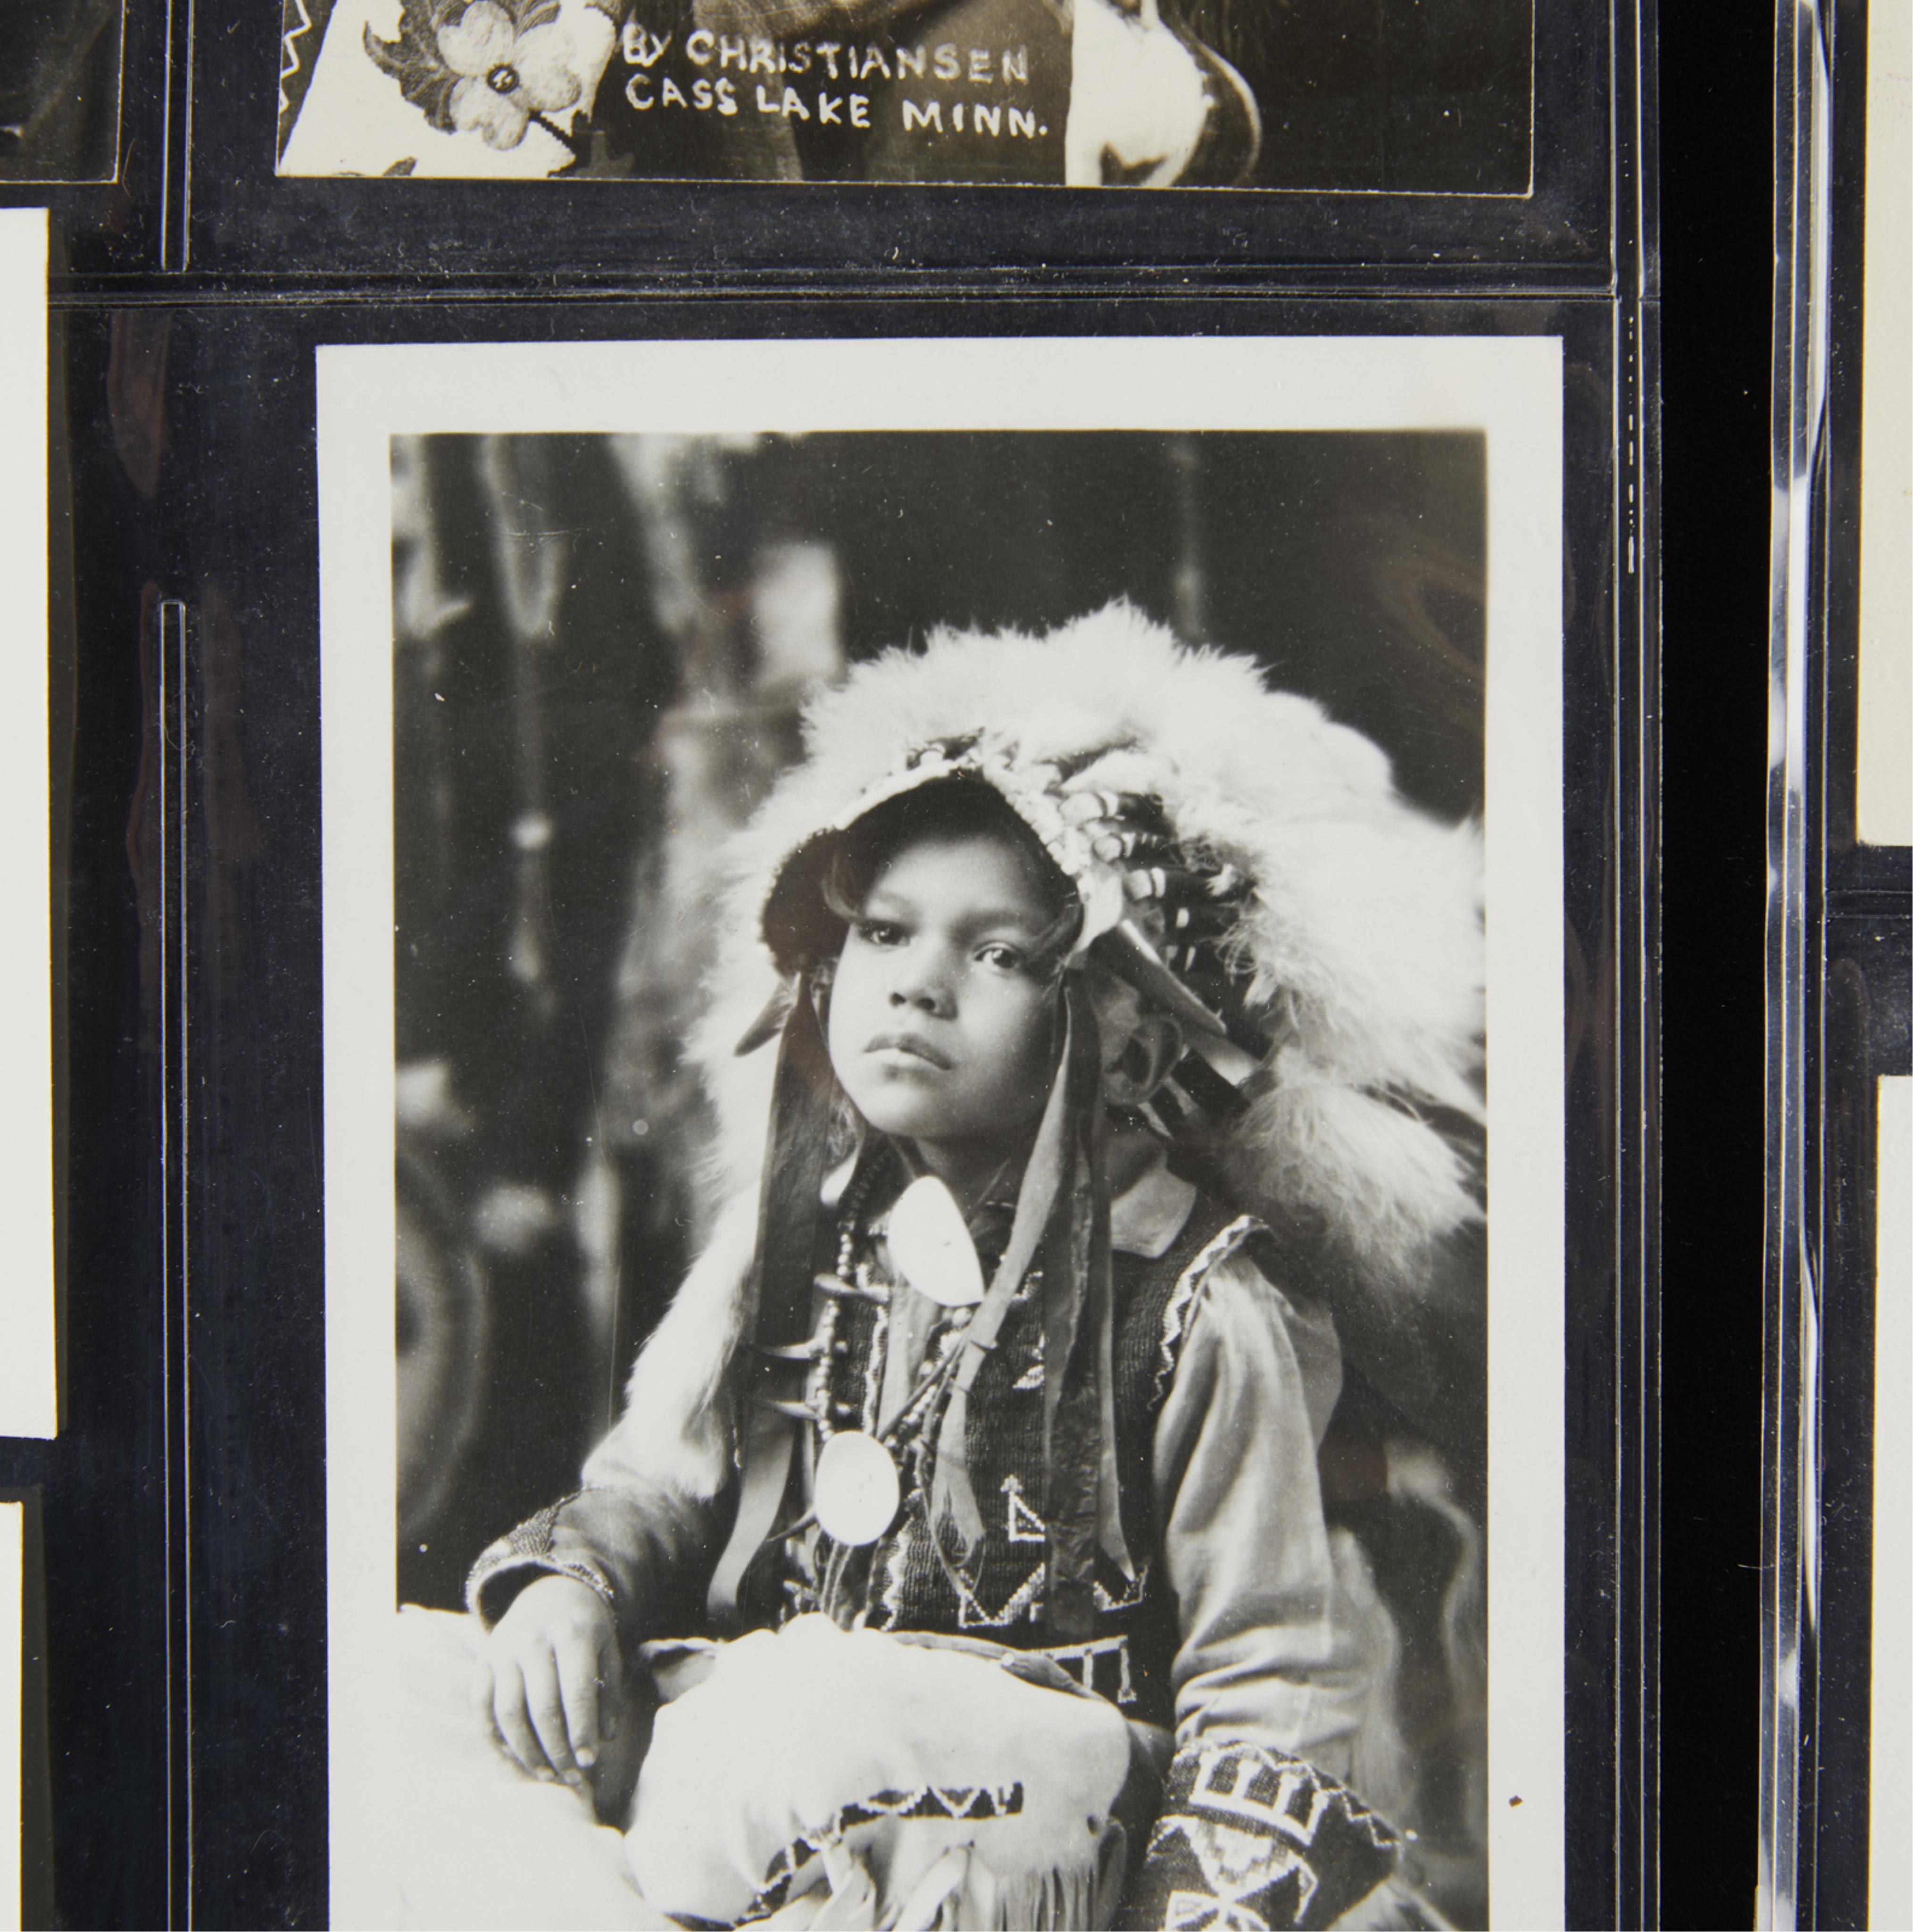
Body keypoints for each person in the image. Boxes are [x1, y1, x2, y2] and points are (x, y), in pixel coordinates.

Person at [439, 603, 1483, 1929]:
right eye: (881, 933)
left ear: (1137, 1041)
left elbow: (1267, 1665)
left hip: (1043, 1825)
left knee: (788, 1734)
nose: (916, 983)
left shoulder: (1204, 1300)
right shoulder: (795, 1246)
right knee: (419, 1701)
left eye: (997, 954)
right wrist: (568, 1592)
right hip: (790, 1777)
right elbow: (663, 1485)